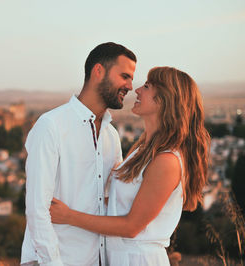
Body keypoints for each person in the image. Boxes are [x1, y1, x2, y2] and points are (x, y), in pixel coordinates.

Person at [50, 66, 210, 265]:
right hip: (120, 258)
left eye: (147, 86)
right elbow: (119, 204)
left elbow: (131, 226)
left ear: (165, 99)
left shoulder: (167, 161)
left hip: (140, 259)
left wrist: (69, 216)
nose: (137, 90)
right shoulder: (142, 150)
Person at [20, 42, 137, 266]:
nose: (130, 86)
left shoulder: (111, 135)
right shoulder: (51, 126)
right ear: (98, 71)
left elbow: (112, 200)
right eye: (125, 76)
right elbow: (37, 208)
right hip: (54, 260)